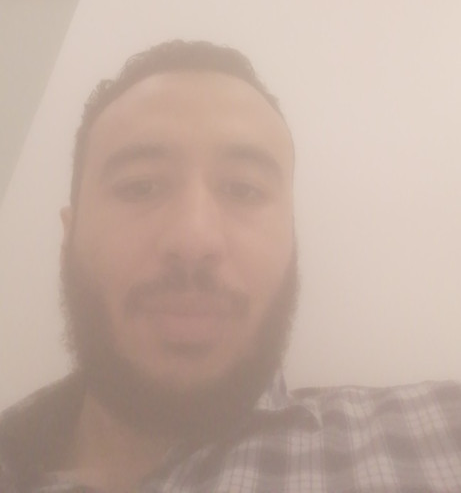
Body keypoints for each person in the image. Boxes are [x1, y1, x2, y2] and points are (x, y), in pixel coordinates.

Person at [0, 39, 460, 493]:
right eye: (141, 186)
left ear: (291, 241)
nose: (194, 239)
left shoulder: (439, 436)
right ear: (69, 234)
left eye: (244, 189)